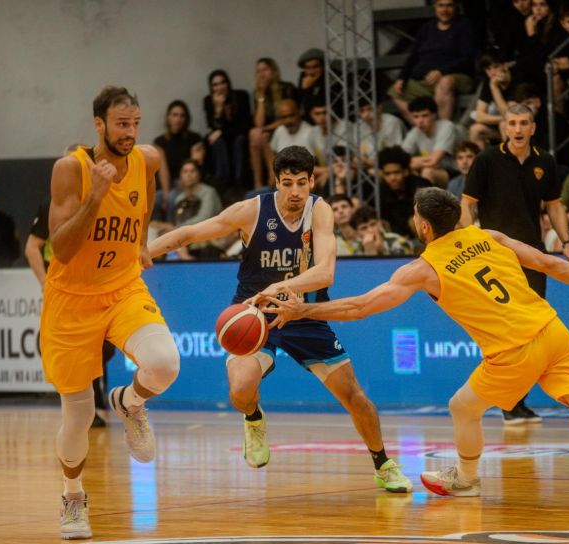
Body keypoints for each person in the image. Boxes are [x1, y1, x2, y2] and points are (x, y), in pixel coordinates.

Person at [259, 187, 569, 504]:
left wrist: (303, 311)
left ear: (424, 226)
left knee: (462, 407)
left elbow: (361, 306)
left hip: (513, 350)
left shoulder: (423, 269)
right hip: (552, 330)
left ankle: (467, 479)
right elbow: (547, 262)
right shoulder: (489, 236)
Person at [146, 146, 412, 493]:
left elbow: (326, 273)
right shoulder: (252, 211)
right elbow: (188, 234)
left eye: (302, 182)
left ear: (312, 181)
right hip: (255, 316)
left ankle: (383, 464)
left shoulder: (320, 210)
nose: (295, 191)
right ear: (276, 182)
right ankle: (253, 417)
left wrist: (281, 287)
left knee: (354, 396)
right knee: (240, 390)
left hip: (304, 314)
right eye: (288, 183)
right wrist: (139, 255)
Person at [43, 86, 181, 540]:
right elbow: (61, 249)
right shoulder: (70, 169)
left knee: (164, 362)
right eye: (122, 124)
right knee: (78, 415)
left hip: (122, 287)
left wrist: (140, 239)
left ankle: (130, 402)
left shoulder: (147, 158)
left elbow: (149, 184)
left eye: (135, 123)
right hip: (71, 299)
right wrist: (96, 196)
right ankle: (73, 495)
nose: (130, 132)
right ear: (98, 124)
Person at [462, 103, 569, 424]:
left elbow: (554, 206)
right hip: (496, 256)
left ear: (533, 127)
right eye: (512, 123)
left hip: (533, 254)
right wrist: (472, 241)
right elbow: (466, 204)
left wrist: (566, 240)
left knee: (532, 330)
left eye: (524, 123)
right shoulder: (487, 160)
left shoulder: (545, 161)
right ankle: (509, 403)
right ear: (505, 128)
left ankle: (515, 402)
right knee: (507, 332)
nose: (518, 129)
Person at [25, 148, 112, 431]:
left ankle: (94, 399)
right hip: (64, 288)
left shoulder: (106, 198)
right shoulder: (51, 204)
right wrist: (45, 283)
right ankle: (82, 404)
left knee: (105, 344)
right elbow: (32, 247)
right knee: (63, 346)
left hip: (97, 285)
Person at [388, 0, 476, 121]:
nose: (445, 10)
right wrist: (402, 77)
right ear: (435, 7)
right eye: (441, 5)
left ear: (455, 7)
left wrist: (441, 71)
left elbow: (468, 58)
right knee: (395, 92)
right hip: (425, 79)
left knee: (444, 82)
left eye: (449, 5)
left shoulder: (464, 26)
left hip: (455, 77)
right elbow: (414, 56)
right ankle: (425, 127)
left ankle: (443, 128)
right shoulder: (426, 28)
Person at [249, 58, 298, 189]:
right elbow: (258, 123)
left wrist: (266, 128)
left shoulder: (286, 88)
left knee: (260, 135)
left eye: (265, 70)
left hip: (285, 127)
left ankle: (272, 177)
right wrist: (261, 96)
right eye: (258, 71)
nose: (262, 74)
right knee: (255, 134)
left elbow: (289, 117)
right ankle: (258, 184)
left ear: (273, 71)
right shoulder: (257, 93)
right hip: (267, 131)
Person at [164, 160, 227, 259]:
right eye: (185, 171)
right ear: (180, 176)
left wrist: (176, 229)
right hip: (185, 240)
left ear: (199, 175)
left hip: (209, 239)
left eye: (192, 171)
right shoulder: (179, 198)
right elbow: (177, 221)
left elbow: (204, 218)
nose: (188, 175)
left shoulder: (208, 192)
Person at [202, 70, 253, 190]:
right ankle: (222, 182)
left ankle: (239, 180)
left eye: (222, 83)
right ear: (211, 88)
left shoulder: (241, 96)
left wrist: (221, 131)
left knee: (239, 140)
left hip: (239, 136)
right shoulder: (209, 101)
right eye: (215, 85)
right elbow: (213, 126)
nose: (219, 87)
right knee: (216, 142)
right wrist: (218, 110)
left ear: (228, 83)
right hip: (223, 141)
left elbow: (245, 125)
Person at [402, 96, 460, 188]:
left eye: (424, 116)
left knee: (427, 172)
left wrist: (411, 162)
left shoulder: (446, 127)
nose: (420, 121)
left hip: (456, 172)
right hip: (433, 169)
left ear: (434, 115)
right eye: (416, 117)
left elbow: (434, 161)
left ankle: (427, 198)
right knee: (405, 172)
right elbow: (399, 159)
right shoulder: (415, 132)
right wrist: (409, 163)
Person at [378, 146, 433, 239]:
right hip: (396, 235)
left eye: (396, 172)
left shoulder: (421, 186)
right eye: (388, 174)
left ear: (406, 171)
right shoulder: (382, 191)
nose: (392, 178)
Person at [153, 100, 205, 195]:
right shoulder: (160, 142)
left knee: (173, 198)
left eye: (182, 116)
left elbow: (194, 167)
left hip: (188, 181)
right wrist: (166, 193)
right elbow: (163, 170)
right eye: (175, 115)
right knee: (157, 198)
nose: (178, 119)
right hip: (168, 183)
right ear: (168, 117)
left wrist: (184, 183)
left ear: (186, 119)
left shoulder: (194, 138)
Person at [350, 205, 416, 256]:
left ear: (379, 224)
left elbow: (401, 268)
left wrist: (380, 251)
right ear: (357, 232)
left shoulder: (398, 241)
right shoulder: (355, 247)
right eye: (364, 228)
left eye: (373, 224)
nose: (370, 230)